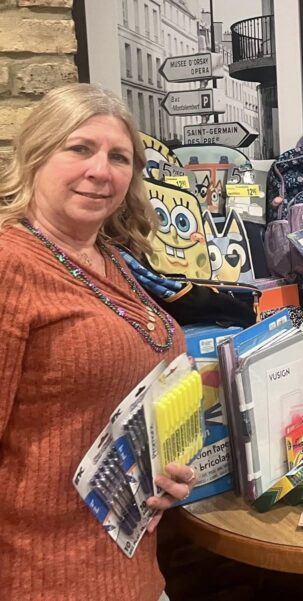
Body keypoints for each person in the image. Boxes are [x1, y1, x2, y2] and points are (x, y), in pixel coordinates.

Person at [0, 83, 195, 600]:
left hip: (134, 573)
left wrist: (167, 472)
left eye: (119, 157)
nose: (100, 171)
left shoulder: (108, 257)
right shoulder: (10, 265)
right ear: (36, 154)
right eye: (80, 148)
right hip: (43, 580)